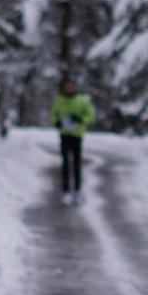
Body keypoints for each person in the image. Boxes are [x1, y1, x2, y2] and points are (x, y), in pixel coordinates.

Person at [49, 77, 95, 205]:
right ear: (63, 88)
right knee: (65, 164)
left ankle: (78, 191)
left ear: (75, 87)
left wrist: (81, 120)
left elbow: (90, 116)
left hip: (77, 135)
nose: (69, 88)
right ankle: (66, 192)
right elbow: (53, 114)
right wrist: (57, 122)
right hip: (64, 135)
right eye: (66, 86)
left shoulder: (82, 101)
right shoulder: (59, 101)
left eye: (71, 86)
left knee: (76, 164)